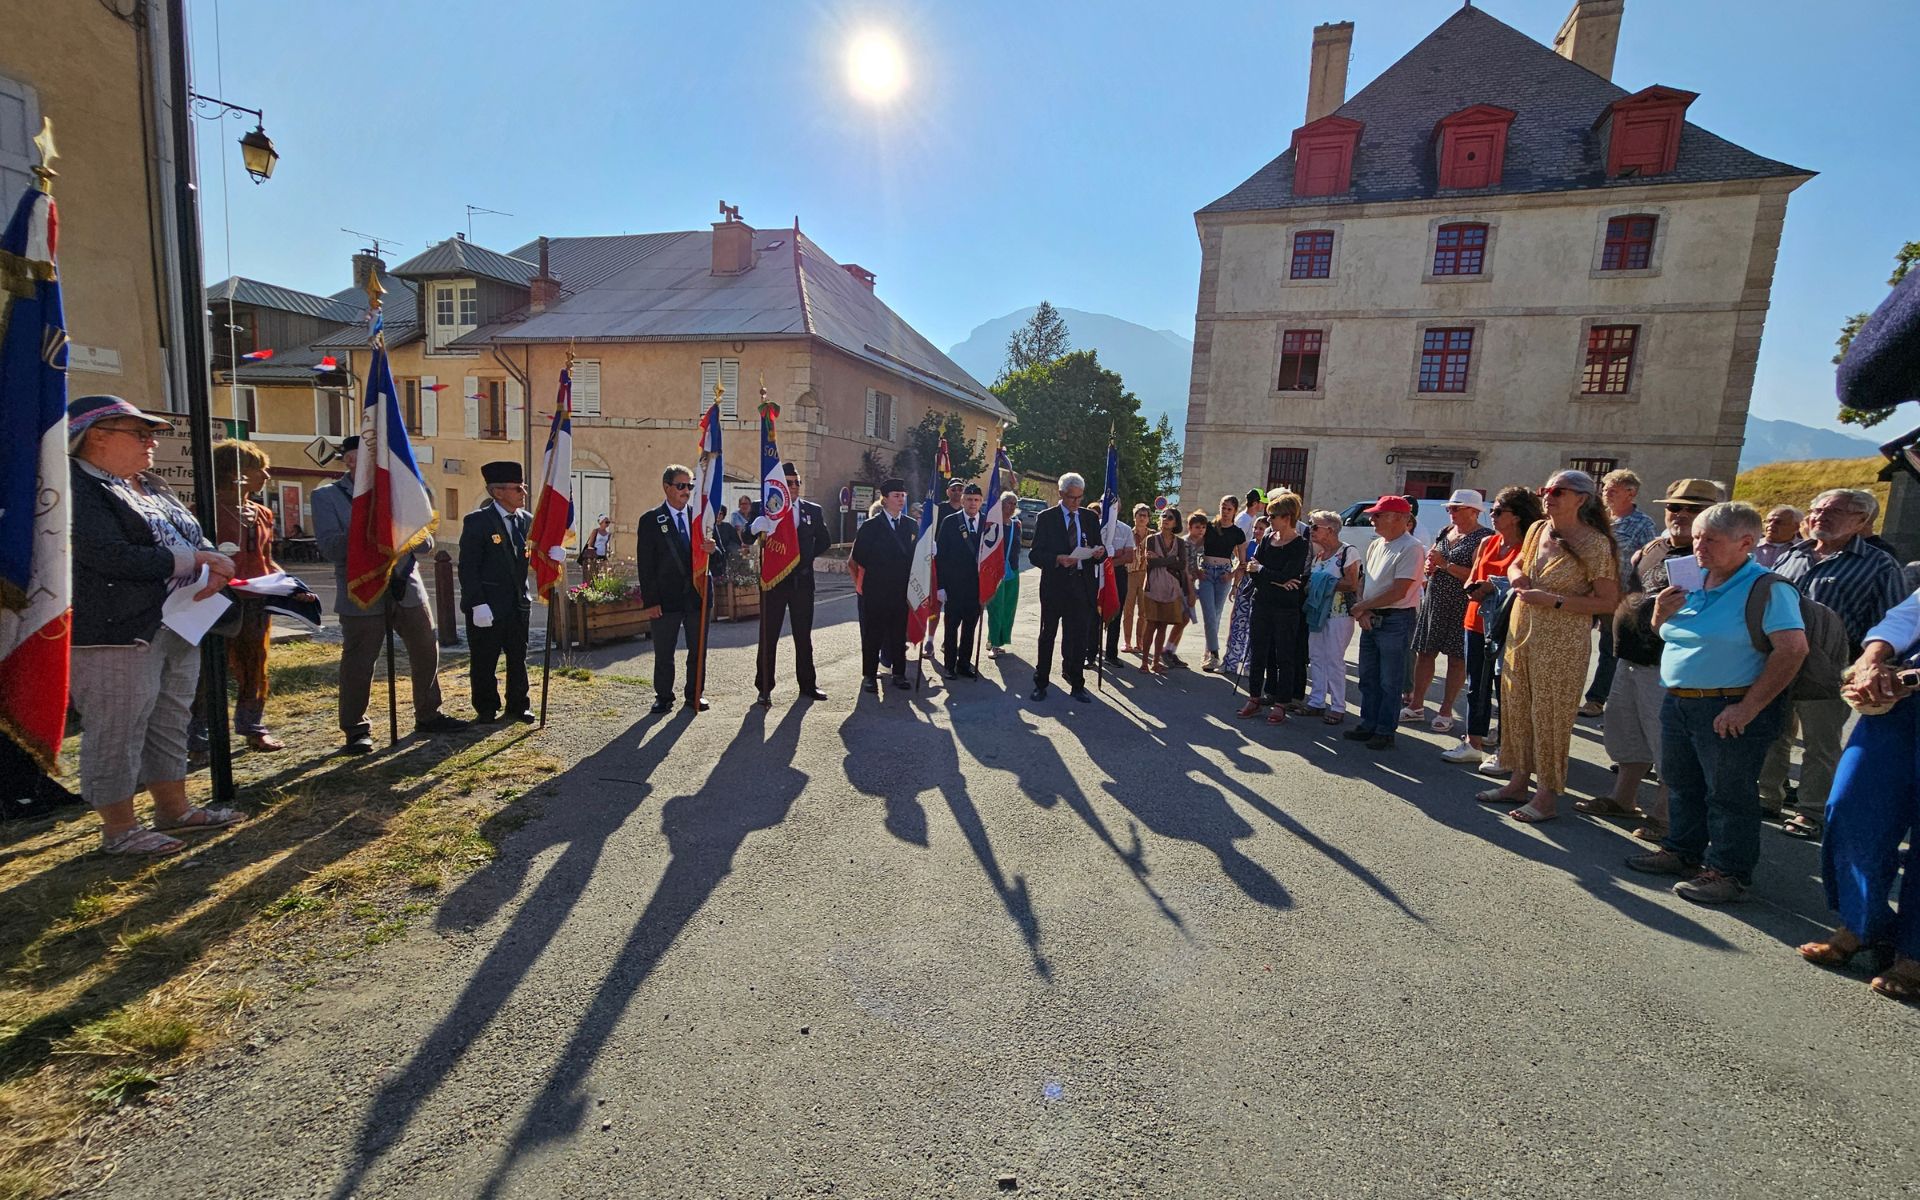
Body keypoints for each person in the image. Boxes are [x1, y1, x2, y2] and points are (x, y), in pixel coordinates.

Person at [65, 395, 243, 855]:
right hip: (117, 630)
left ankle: (173, 809)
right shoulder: (76, 488)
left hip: (178, 621)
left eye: (152, 435)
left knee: (169, 717)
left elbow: (191, 534)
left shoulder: (149, 484)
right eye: (139, 434)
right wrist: (196, 559)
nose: (151, 443)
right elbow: (106, 554)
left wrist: (214, 563)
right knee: (118, 726)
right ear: (97, 437)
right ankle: (119, 830)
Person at [1626, 502, 1807, 904]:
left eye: (1711, 539)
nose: (1699, 545)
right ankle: (1682, 851)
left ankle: (1729, 873)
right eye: (1697, 536)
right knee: (1681, 782)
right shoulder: (1694, 577)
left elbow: (1792, 650)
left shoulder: (1767, 588)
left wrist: (1748, 708)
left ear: (1746, 543)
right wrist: (1658, 615)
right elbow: (1668, 634)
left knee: (1728, 793)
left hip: (1729, 705)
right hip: (1681, 699)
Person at [1565, 478, 1719, 830]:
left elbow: (1699, 612)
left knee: (1664, 739)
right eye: (1673, 507)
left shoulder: (1703, 558)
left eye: (1691, 509)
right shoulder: (1654, 545)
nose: (1679, 514)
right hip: (1631, 654)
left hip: (1666, 663)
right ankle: (1623, 798)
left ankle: (1665, 814)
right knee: (1626, 732)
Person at [1759, 487, 1907, 838]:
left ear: (1861, 521)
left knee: (1820, 743)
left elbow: (1892, 618)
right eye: (1818, 509)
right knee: (1773, 732)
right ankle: (1767, 796)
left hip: (1831, 665)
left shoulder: (1878, 564)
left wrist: (1868, 665)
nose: (1821, 516)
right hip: (1778, 659)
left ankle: (1811, 811)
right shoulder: (1792, 554)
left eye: (1834, 512)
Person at [1475, 470, 1620, 821]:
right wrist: (1518, 577)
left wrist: (1553, 600)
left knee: (1549, 716)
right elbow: (1516, 564)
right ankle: (1518, 781)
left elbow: (1608, 601)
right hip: (1522, 632)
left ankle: (1547, 796)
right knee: (1517, 708)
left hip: (1562, 642)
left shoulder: (1596, 544)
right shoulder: (1539, 529)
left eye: (1558, 491)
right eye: (1546, 490)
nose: (1548, 496)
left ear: (1581, 499)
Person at [1799, 586, 1920, 1000]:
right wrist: (1871, 661)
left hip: (1905, 687)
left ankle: (1914, 956)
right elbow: (1907, 616)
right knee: (1850, 810)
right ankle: (1864, 925)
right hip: (1898, 706)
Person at [312, 438, 467, 753]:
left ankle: (428, 713)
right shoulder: (326, 497)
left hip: (404, 584)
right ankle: (356, 729)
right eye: (357, 458)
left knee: (426, 648)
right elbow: (330, 547)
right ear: (348, 462)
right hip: (362, 588)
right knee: (359, 660)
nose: (364, 464)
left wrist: (397, 527)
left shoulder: (400, 493)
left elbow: (425, 544)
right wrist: (371, 530)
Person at [1443, 487, 1543, 767]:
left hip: (1510, 626)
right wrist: (1474, 588)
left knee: (1506, 689)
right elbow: (1472, 577)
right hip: (1475, 621)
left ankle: (1505, 751)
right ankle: (1473, 742)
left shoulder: (1530, 548)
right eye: (1493, 510)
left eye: (1499, 511)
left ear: (1517, 516)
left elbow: (1527, 584)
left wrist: (1492, 586)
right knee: (1476, 685)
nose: (1493, 516)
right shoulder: (1488, 542)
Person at [207, 438, 285, 751]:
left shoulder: (263, 513)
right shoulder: (204, 511)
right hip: (217, 600)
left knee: (255, 664)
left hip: (257, 600)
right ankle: (201, 733)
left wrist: (288, 584)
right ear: (233, 473)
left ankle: (252, 725)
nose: (266, 477)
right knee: (208, 669)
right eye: (259, 469)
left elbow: (266, 558)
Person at [1404, 490, 1492, 733]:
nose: (1451, 512)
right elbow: (1433, 556)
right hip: (1436, 599)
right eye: (1449, 508)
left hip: (1462, 603)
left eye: (1457, 508)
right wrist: (1432, 565)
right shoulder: (1445, 531)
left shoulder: (1484, 538)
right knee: (1425, 652)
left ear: (1474, 512)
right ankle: (1416, 704)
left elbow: (1478, 576)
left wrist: (1445, 565)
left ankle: (1445, 710)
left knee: (1456, 659)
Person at [1343, 496, 1424, 750]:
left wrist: (1362, 607)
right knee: (1368, 676)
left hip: (1395, 619)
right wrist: (1363, 610)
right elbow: (1365, 580)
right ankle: (1368, 723)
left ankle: (1384, 729)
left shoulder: (1411, 547)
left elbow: (1400, 591)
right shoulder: (1376, 544)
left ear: (1400, 519)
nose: (1372, 519)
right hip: (1373, 617)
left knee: (1390, 680)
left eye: (1379, 515)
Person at [458, 461, 536, 723]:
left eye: (523, 487)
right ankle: (486, 707)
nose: (523, 493)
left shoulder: (527, 521)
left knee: (518, 657)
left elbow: (529, 558)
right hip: (488, 606)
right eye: (517, 488)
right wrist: (477, 603)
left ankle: (518, 704)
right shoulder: (478, 522)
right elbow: (468, 567)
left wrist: (550, 554)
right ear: (498, 492)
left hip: (517, 604)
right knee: (484, 660)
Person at [1581, 469, 1661, 717]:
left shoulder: (1642, 524)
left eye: (1613, 490)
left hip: (1619, 596)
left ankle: (1597, 699)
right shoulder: (1599, 520)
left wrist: (1636, 599)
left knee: (1608, 649)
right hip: (1587, 592)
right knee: (1578, 645)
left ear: (1631, 493)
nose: (1606, 494)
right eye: (1604, 489)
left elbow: (1649, 563)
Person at [634, 463, 713, 714]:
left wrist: (714, 550)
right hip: (665, 598)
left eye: (690, 486)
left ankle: (695, 694)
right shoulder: (650, 520)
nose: (686, 491)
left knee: (697, 651)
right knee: (665, 652)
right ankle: (664, 696)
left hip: (697, 596)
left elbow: (717, 557)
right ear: (667, 487)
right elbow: (645, 565)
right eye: (681, 486)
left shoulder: (701, 518)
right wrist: (651, 601)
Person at [753, 462, 833, 706]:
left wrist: (803, 558)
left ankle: (808, 685)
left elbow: (825, 541)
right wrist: (755, 527)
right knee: (769, 636)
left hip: (802, 582)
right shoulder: (767, 509)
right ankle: (765, 688)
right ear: (780, 485)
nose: (795, 486)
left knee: (803, 636)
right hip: (774, 584)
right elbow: (748, 535)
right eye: (789, 482)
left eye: (797, 482)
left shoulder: (813, 510)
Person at [1028, 472, 1106, 702]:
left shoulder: (1089, 518)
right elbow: (1035, 555)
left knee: (1078, 636)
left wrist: (1099, 553)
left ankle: (1077, 681)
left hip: (1081, 585)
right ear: (1061, 494)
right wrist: (1057, 558)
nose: (1077, 502)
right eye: (1072, 498)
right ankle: (1041, 682)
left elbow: (1098, 549)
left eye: (1080, 497)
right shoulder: (1047, 518)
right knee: (1048, 634)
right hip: (1055, 586)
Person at [1236, 493, 1313, 724]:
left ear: (1287, 517)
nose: (1268, 520)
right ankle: (1254, 698)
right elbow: (1252, 569)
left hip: (1286, 609)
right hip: (1262, 604)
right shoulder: (1268, 538)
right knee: (1259, 653)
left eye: (1272, 516)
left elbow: (1289, 574)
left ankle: (1281, 703)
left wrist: (1264, 572)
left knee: (1285, 656)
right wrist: (1275, 579)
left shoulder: (1300, 544)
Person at [850, 478, 916, 693]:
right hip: (876, 588)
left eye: (903, 496)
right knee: (873, 634)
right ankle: (869, 675)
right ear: (885, 499)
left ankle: (899, 673)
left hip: (900, 589)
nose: (901, 500)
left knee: (898, 634)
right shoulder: (871, 526)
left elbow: (915, 556)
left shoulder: (910, 525)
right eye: (896, 496)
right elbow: (858, 556)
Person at [1305, 509, 1362, 724]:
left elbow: (1352, 584)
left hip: (1339, 614)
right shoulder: (1319, 555)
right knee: (1316, 657)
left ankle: (1338, 705)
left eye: (1314, 526)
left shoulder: (1348, 552)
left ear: (1330, 530)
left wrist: (1322, 584)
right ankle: (1317, 701)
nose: (1311, 530)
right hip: (1318, 613)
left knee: (1334, 659)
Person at [936, 483, 986, 678]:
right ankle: (949, 665)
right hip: (954, 585)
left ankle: (964, 663)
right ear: (962, 501)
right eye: (969, 499)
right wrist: (940, 586)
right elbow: (940, 556)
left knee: (970, 628)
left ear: (981, 502)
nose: (972, 503)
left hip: (976, 587)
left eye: (976, 500)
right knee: (951, 627)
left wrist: (990, 585)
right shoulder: (950, 521)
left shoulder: (987, 524)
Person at [1137, 507, 1194, 675]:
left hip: (1171, 588)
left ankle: (1156, 662)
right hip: (1153, 587)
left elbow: (1181, 564)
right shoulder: (1151, 539)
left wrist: (1162, 559)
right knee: (1151, 624)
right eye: (1163, 516)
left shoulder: (1180, 543)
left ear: (1175, 522)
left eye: (1170, 517)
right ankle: (1144, 662)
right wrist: (1171, 560)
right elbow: (1150, 563)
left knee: (1162, 626)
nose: (1165, 519)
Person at [1195, 495, 1246, 671]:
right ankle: (1213, 654)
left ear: (1235, 511)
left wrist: (1232, 577)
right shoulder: (1209, 527)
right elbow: (1193, 546)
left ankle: (1210, 653)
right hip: (1207, 572)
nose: (1225, 512)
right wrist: (1196, 569)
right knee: (1209, 614)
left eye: (1229, 509)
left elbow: (1243, 561)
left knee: (1216, 613)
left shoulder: (1237, 533)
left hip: (1223, 574)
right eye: (1223, 508)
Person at [1220, 512, 1269, 692]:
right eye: (1255, 527)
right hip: (1245, 587)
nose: (1256, 531)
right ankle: (1231, 661)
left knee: (1254, 628)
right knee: (1237, 624)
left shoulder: (1270, 547)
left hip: (1261, 589)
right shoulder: (1248, 546)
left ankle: (1250, 664)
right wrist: (1235, 586)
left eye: (1261, 528)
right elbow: (1241, 566)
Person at [1163, 512, 1212, 669]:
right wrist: (1190, 587)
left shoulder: (1199, 544)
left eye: (1203, 527)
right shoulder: (1185, 543)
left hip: (1190, 582)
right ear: (1190, 527)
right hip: (1182, 585)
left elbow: (1194, 564)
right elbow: (1184, 566)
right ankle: (1167, 650)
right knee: (1182, 618)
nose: (1201, 530)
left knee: (1184, 619)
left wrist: (1198, 572)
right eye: (1197, 527)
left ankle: (1172, 650)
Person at [1092, 499, 1137, 666]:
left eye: (1112, 504)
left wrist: (1109, 561)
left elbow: (1129, 556)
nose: (1109, 507)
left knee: (1115, 613)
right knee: (1093, 614)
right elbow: (1091, 551)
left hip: (1117, 575)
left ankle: (1111, 654)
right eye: (1104, 503)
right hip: (1095, 574)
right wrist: (1114, 554)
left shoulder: (1125, 530)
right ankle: (1091, 652)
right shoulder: (1093, 526)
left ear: (1118, 508)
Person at [985, 492, 1026, 658]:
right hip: (995, 571)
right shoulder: (992, 523)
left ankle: (999, 640)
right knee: (996, 606)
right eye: (1009, 503)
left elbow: (1018, 547)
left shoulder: (1016, 525)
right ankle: (994, 643)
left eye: (1014, 503)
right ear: (1001, 504)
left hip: (1012, 570)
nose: (1012, 506)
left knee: (1008, 608)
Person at [1120, 503, 1152, 654]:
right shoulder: (1128, 533)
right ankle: (1127, 642)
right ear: (1134, 517)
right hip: (1130, 574)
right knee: (1128, 610)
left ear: (1148, 519)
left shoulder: (1153, 535)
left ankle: (1140, 642)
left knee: (1144, 612)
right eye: (1139, 515)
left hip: (1146, 574)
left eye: (1145, 515)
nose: (1142, 518)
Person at [577, 514, 614, 582]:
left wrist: (606, 554)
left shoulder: (608, 534)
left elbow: (606, 544)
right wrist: (591, 554)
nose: (607, 524)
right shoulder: (595, 531)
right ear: (601, 522)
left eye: (608, 522)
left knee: (605, 572)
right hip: (595, 555)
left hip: (603, 555)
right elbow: (590, 543)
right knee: (594, 572)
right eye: (606, 522)